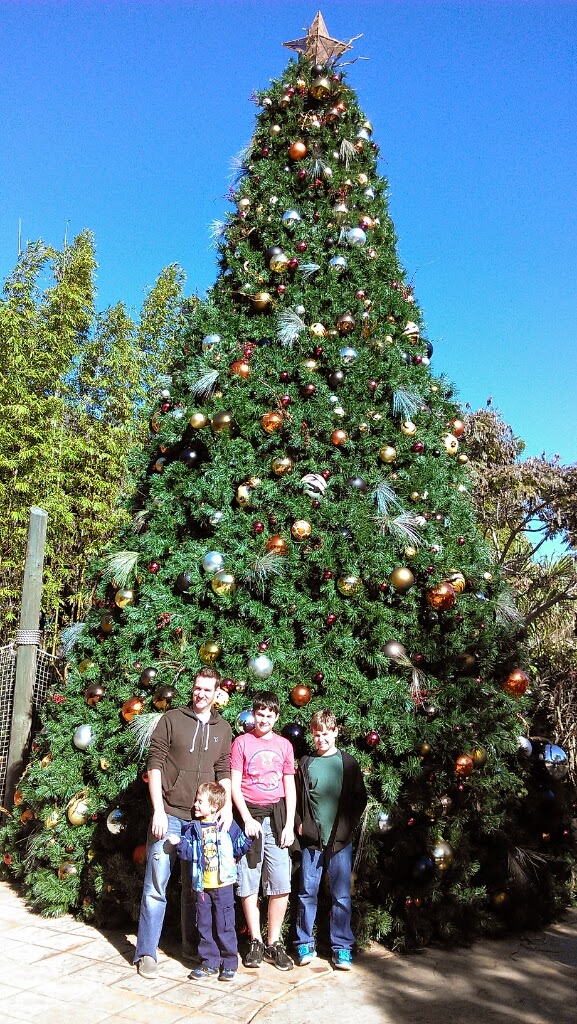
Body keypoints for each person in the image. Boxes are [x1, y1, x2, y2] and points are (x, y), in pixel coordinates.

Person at [133, 666, 233, 979]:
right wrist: (159, 810)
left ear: (217, 693)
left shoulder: (224, 728)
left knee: (196, 889)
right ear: (193, 688)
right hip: (170, 816)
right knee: (156, 886)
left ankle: (194, 950)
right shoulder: (171, 720)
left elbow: (223, 770)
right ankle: (146, 953)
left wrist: (226, 808)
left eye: (208, 689)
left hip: (201, 824)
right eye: (197, 688)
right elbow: (155, 765)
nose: (201, 694)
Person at [294, 708, 367, 971]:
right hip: (312, 842)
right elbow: (297, 801)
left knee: (341, 896)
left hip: (340, 842)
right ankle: (304, 942)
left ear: (335, 732)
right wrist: (300, 825)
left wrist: (347, 828)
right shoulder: (305, 764)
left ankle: (342, 948)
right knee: (306, 893)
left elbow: (360, 798)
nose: (321, 739)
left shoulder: (348, 763)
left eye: (326, 733)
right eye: (316, 734)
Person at [230, 690, 296, 971]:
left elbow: (289, 786)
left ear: (276, 717)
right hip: (250, 819)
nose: (264, 719)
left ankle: (273, 942)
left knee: (280, 881)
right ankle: (255, 941)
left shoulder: (284, 746)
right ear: (253, 714)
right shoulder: (241, 743)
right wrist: (245, 818)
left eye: (270, 715)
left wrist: (290, 824)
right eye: (260, 714)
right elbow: (234, 784)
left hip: (278, 819)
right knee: (248, 881)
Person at [167, 782, 251, 982]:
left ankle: (229, 962)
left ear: (214, 807)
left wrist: (249, 835)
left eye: (200, 801)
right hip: (202, 886)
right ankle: (209, 962)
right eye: (196, 800)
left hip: (223, 886)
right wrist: (179, 843)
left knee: (225, 924)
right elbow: (187, 854)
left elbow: (238, 848)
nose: (195, 804)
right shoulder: (192, 830)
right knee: (204, 924)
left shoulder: (227, 827)